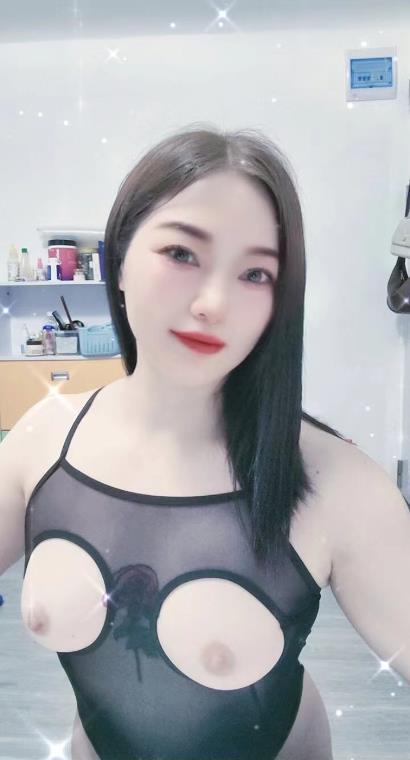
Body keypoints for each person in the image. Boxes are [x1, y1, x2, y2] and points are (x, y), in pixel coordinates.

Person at [1, 124, 409, 760]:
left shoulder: (338, 484)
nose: (213, 303)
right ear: (119, 258)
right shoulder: (42, 439)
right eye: (182, 254)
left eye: (255, 273)